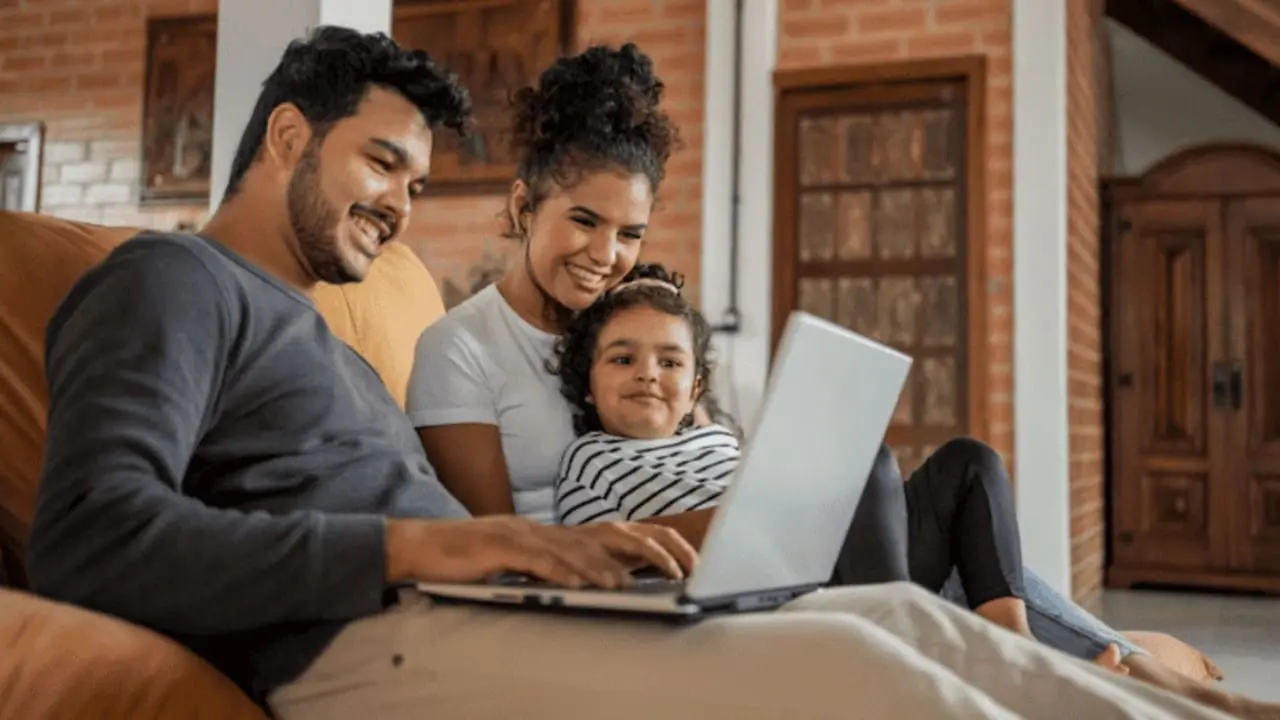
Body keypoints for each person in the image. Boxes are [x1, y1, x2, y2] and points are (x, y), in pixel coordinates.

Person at [27, 26, 1245, 720]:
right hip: (369, 643)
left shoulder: (319, 330)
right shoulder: (165, 284)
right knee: (871, 667)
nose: (402, 204)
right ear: (287, 135)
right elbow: (88, 539)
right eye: (384, 164)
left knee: (896, 613)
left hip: (468, 605)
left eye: (414, 179)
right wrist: (432, 545)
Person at [404, 41, 1280, 720]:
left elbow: (712, 450)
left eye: (629, 232)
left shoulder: (636, 329)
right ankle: (1034, 673)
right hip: (641, 583)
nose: (605, 255)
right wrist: (744, 522)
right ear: (525, 206)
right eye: (582, 222)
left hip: (744, 549)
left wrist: (765, 491)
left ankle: (1145, 680)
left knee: (957, 468)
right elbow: (501, 547)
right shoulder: (462, 349)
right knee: (864, 489)